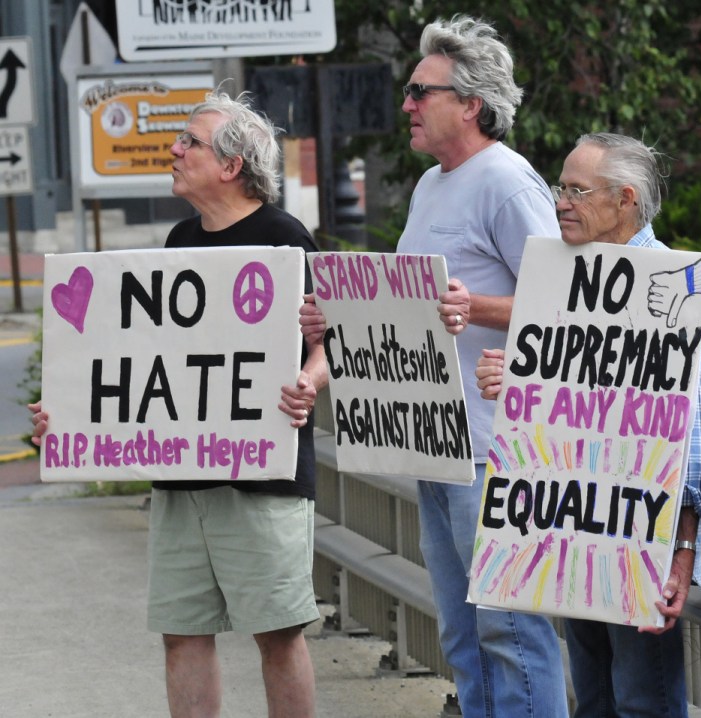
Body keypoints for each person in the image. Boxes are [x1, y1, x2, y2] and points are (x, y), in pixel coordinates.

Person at [302, 15, 569, 717]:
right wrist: (340, 318)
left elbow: (566, 306)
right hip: (439, 442)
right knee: (462, 630)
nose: (408, 105)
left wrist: (473, 305)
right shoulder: (430, 185)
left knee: (509, 625)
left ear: (471, 104)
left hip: (495, 445)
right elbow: (414, 305)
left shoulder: (508, 183)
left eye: (422, 92)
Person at [30, 90, 327, 718]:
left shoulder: (284, 237)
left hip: (260, 476)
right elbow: (144, 358)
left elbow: (336, 340)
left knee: (278, 631)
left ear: (231, 165)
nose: (175, 149)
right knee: (182, 630)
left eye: (189, 142)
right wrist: (68, 414)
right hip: (182, 475)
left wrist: (309, 379)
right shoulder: (179, 238)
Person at [475, 132, 701, 718]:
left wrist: (680, 551)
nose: (560, 200)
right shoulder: (558, 279)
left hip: (641, 537)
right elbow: (574, 397)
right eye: (560, 186)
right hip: (569, 526)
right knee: (593, 698)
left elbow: (692, 436)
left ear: (625, 200)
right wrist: (517, 388)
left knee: (644, 700)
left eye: (576, 190)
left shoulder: (680, 291)